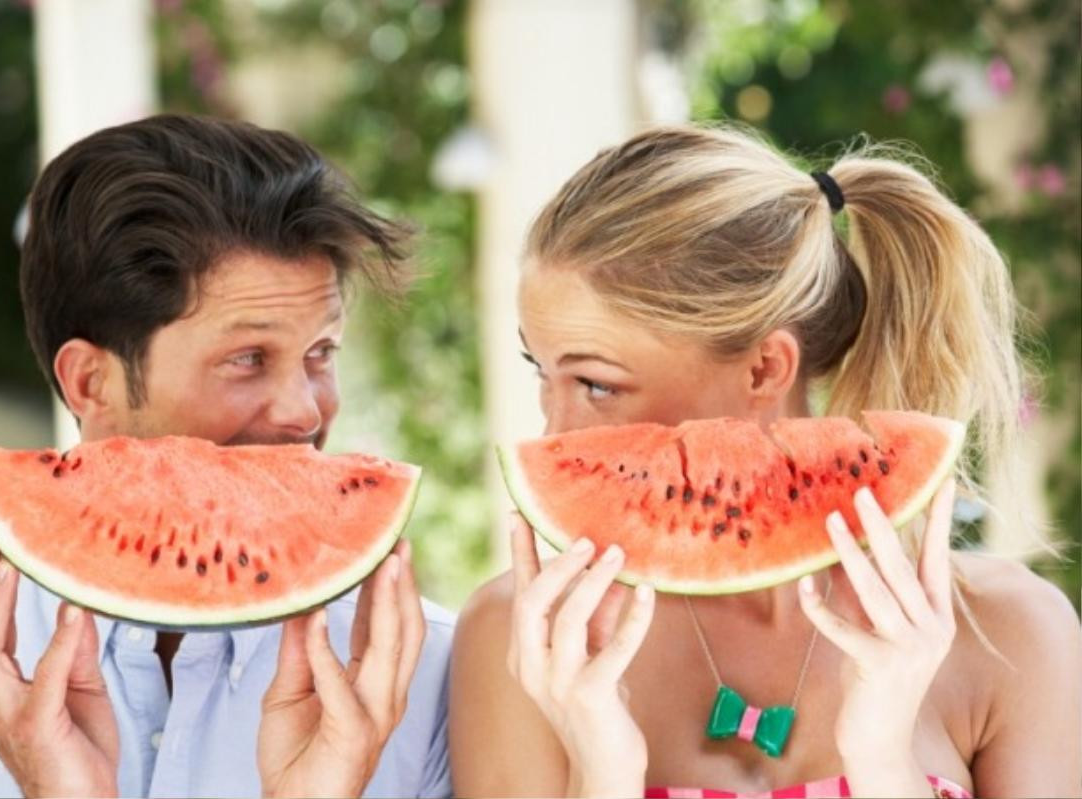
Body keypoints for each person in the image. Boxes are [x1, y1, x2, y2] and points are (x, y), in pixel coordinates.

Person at [449, 125, 1081, 798]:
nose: (554, 434)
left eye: (597, 384)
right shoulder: (522, 642)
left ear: (764, 368)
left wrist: (882, 757)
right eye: (540, 373)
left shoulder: (1014, 633)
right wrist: (601, 769)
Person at [0, 114, 453, 798]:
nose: (305, 409)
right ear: (91, 382)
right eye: (247, 359)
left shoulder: (427, 679)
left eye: (320, 353)